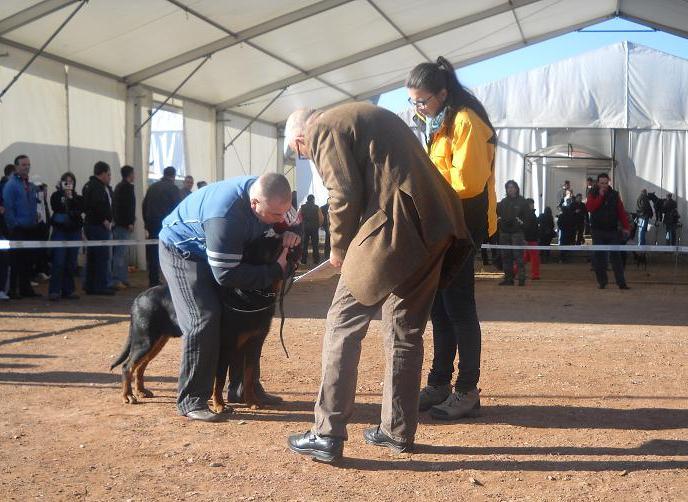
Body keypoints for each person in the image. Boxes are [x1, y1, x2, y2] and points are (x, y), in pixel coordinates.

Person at [284, 103, 472, 463]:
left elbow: (342, 194)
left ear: (299, 138)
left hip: (396, 229)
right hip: (435, 225)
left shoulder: (323, 127)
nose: (304, 156)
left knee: (342, 324)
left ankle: (326, 434)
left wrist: (338, 251)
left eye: (298, 151)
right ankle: (396, 431)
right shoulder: (360, 117)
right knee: (405, 331)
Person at [158, 173, 300, 422]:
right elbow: (226, 274)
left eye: (285, 212)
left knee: (240, 317)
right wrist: (274, 272)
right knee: (203, 317)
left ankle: (244, 389)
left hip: (222, 251)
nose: (282, 220)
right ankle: (192, 399)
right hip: (183, 252)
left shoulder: (276, 198)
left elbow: (296, 224)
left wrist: (293, 235)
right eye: (276, 216)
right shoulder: (226, 217)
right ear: (255, 204)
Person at [403, 56, 497, 421]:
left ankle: (467, 390)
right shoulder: (436, 124)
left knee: (459, 308)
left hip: (461, 225)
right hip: (440, 224)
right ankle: (439, 383)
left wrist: (425, 193)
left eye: (422, 100)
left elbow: (469, 183)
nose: (417, 108)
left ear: (443, 93)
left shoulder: (466, 122)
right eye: (412, 101)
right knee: (439, 308)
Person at [2, 155, 41, 298]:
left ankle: (26, 289)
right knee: (16, 261)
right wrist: (15, 225)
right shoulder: (11, 185)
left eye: (28, 164)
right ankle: (13, 289)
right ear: (16, 167)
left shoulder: (30, 185)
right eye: (24, 165)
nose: (27, 167)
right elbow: (8, 207)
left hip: (30, 227)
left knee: (28, 261)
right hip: (18, 229)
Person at [586, 173, 630, 289]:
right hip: (597, 231)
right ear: (598, 183)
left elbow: (621, 211)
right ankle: (602, 282)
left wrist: (626, 227)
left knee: (616, 258)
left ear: (608, 182)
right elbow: (590, 208)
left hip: (612, 231)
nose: (604, 185)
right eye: (602, 183)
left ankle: (621, 283)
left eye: (606, 183)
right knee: (599, 258)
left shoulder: (615, 195)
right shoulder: (592, 193)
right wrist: (600, 197)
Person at [142, 166, 181, 287]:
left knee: (153, 255)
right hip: (167, 228)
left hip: (152, 226)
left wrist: (147, 224)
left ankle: (153, 281)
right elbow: (178, 209)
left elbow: (144, 206)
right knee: (169, 256)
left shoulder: (152, 187)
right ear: (173, 176)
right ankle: (171, 283)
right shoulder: (173, 189)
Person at [48, 172, 84, 301]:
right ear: (61, 183)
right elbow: (55, 207)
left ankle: (68, 290)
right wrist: (64, 198)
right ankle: (54, 290)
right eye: (66, 182)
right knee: (59, 261)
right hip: (60, 231)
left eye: (71, 182)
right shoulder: (56, 196)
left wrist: (71, 199)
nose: (69, 185)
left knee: (71, 262)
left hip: (74, 231)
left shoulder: (78, 197)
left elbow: (80, 209)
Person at [82, 161, 115, 295]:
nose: (109, 177)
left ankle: (90, 285)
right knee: (101, 257)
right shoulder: (97, 188)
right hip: (98, 226)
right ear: (102, 174)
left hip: (92, 225)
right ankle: (100, 286)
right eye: (108, 174)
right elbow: (97, 205)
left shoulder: (90, 185)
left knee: (92, 257)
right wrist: (105, 220)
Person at [497, 180, 529, 286]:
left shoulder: (523, 202)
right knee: (505, 257)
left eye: (512, 187)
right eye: (508, 187)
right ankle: (508, 279)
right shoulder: (503, 202)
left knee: (518, 257)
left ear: (516, 188)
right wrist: (500, 222)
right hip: (504, 233)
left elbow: (527, 217)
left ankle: (521, 279)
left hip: (517, 233)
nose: (510, 189)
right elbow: (498, 214)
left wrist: (521, 224)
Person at [111, 165, 136, 289]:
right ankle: (117, 279)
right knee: (120, 254)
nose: (134, 176)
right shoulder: (126, 188)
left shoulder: (119, 187)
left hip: (120, 224)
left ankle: (123, 278)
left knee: (123, 253)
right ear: (129, 174)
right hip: (123, 226)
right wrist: (129, 222)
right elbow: (125, 208)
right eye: (133, 173)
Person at [0, 164, 15, 301]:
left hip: (3, 231)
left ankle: (2, 289)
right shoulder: (5, 185)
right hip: (4, 230)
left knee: (4, 261)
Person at [298, 194, 322, 265]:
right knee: (315, 244)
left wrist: (301, 225)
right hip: (314, 228)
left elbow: (298, 217)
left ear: (307, 200)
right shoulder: (316, 207)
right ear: (313, 199)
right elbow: (321, 218)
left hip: (305, 228)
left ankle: (303, 260)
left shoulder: (302, 207)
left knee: (305, 244)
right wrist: (318, 225)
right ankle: (316, 260)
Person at [521, 198, 540, 280]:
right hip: (531, 239)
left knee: (525, 258)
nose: (533, 205)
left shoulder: (528, 214)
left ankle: (513, 271)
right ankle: (535, 274)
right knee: (534, 258)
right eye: (532, 204)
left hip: (530, 238)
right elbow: (528, 228)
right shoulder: (530, 215)